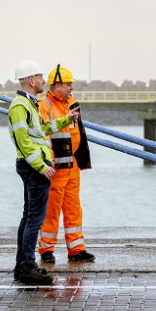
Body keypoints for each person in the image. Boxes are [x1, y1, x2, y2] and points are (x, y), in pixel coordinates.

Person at [9, 59, 78, 285]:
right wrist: (41, 166)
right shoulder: (20, 106)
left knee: (28, 216)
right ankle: (27, 267)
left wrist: (67, 119)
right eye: (40, 77)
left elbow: (42, 130)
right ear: (31, 80)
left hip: (34, 165)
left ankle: (22, 265)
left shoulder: (30, 103)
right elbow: (23, 142)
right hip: (34, 167)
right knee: (34, 219)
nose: (43, 81)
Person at [37, 65, 94, 264]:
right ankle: (46, 249)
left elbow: (79, 133)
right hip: (55, 167)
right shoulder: (43, 105)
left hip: (73, 166)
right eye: (68, 84)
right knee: (51, 210)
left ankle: (76, 249)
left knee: (73, 208)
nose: (71, 88)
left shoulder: (72, 103)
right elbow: (41, 131)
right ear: (58, 85)